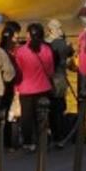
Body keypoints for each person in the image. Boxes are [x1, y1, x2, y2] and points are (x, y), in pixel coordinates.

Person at [13, 23, 54, 152]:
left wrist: (16, 89)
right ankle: (42, 140)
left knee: (26, 118)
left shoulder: (20, 51)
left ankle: (28, 142)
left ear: (29, 35)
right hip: (43, 87)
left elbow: (17, 71)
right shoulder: (47, 49)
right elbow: (50, 71)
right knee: (42, 116)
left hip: (26, 88)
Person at [46, 19, 74, 145]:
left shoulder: (46, 44)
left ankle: (51, 133)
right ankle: (60, 134)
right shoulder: (64, 44)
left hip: (50, 79)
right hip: (61, 78)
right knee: (60, 107)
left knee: (50, 107)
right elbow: (70, 53)